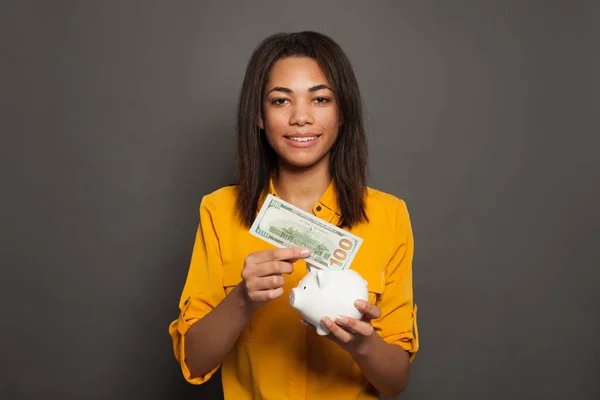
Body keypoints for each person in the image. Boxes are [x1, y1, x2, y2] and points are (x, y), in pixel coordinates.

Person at [168, 31, 419, 399]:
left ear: (342, 111)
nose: (301, 117)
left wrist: (361, 345)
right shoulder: (220, 211)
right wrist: (243, 299)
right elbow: (194, 361)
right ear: (258, 115)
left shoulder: (388, 215)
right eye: (281, 100)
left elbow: (395, 382)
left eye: (320, 99)